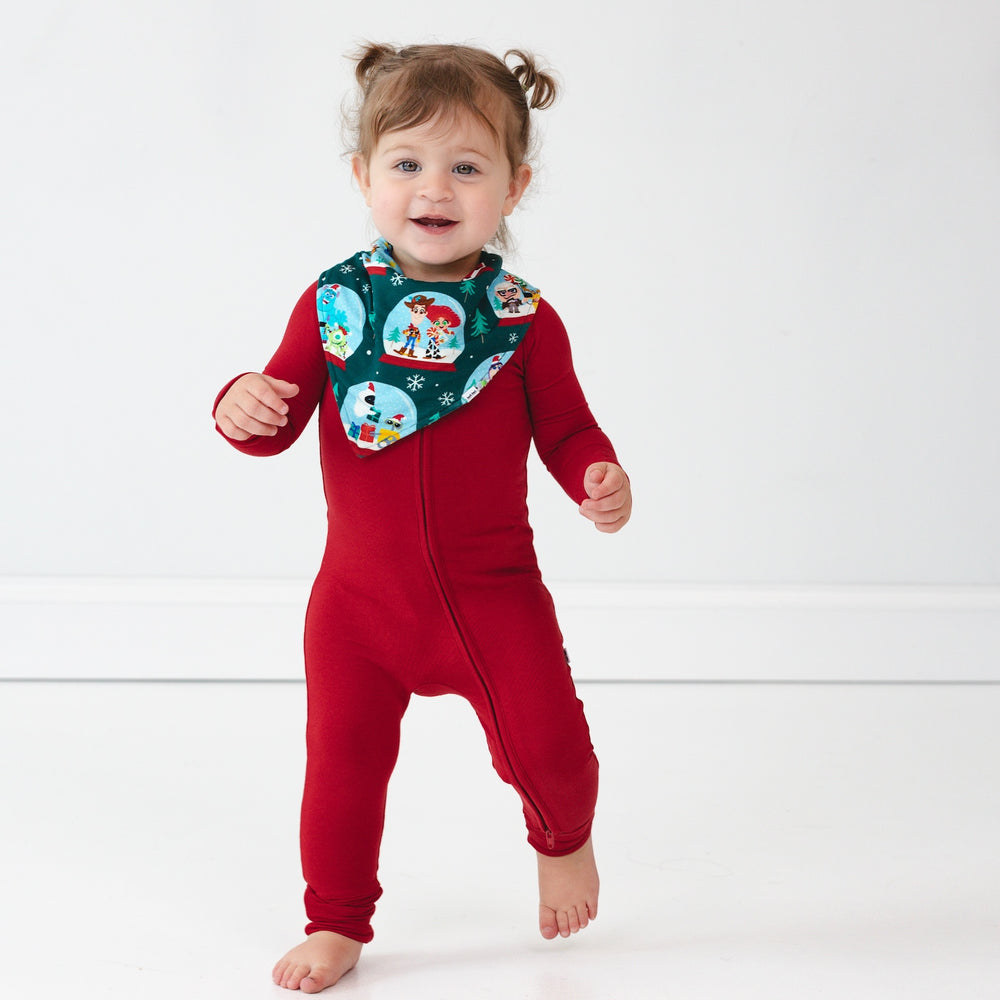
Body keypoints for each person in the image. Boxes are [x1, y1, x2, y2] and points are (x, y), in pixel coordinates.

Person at [213, 42, 632, 994]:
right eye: (406, 163)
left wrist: (595, 474)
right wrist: (239, 404)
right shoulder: (333, 305)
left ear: (514, 189)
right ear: (363, 176)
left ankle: (564, 841)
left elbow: (566, 427)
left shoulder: (525, 322)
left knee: (555, 749)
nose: (432, 188)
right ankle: (336, 919)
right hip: (358, 608)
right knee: (342, 774)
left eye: (466, 167)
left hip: (492, 598)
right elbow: (273, 414)